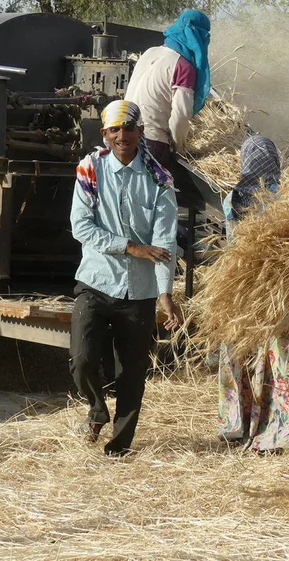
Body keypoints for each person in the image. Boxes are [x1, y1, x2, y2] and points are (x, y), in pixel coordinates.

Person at [69, 99, 183, 455]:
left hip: (140, 291)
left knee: (132, 375)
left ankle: (119, 448)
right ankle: (96, 408)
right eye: (115, 130)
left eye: (129, 128)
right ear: (105, 134)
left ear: (140, 132)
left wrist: (165, 293)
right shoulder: (90, 170)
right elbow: (81, 227)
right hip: (96, 281)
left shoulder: (159, 179)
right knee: (83, 358)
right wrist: (129, 247)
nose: (123, 136)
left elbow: (165, 241)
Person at [217, 135, 289, 451]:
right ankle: (285, 424)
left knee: (240, 355)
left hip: (241, 289)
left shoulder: (232, 198)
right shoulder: (288, 198)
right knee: (284, 357)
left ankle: (238, 424)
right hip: (280, 290)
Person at [124, 9, 211, 168]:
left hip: (120, 137)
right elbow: (180, 118)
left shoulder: (150, 52)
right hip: (150, 143)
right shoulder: (183, 66)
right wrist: (180, 150)